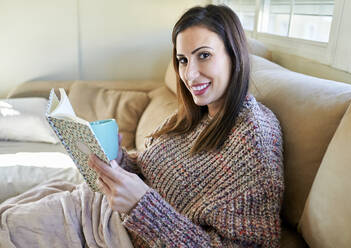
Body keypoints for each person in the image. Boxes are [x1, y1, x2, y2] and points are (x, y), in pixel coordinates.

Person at [0, 4, 284, 248]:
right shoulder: (193, 115)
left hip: (115, 231)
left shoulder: (253, 139)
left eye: (204, 55)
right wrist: (117, 159)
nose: (189, 73)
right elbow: (151, 175)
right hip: (99, 204)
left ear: (234, 56)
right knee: (7, 214)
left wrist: (143, 205)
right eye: (182, 60)